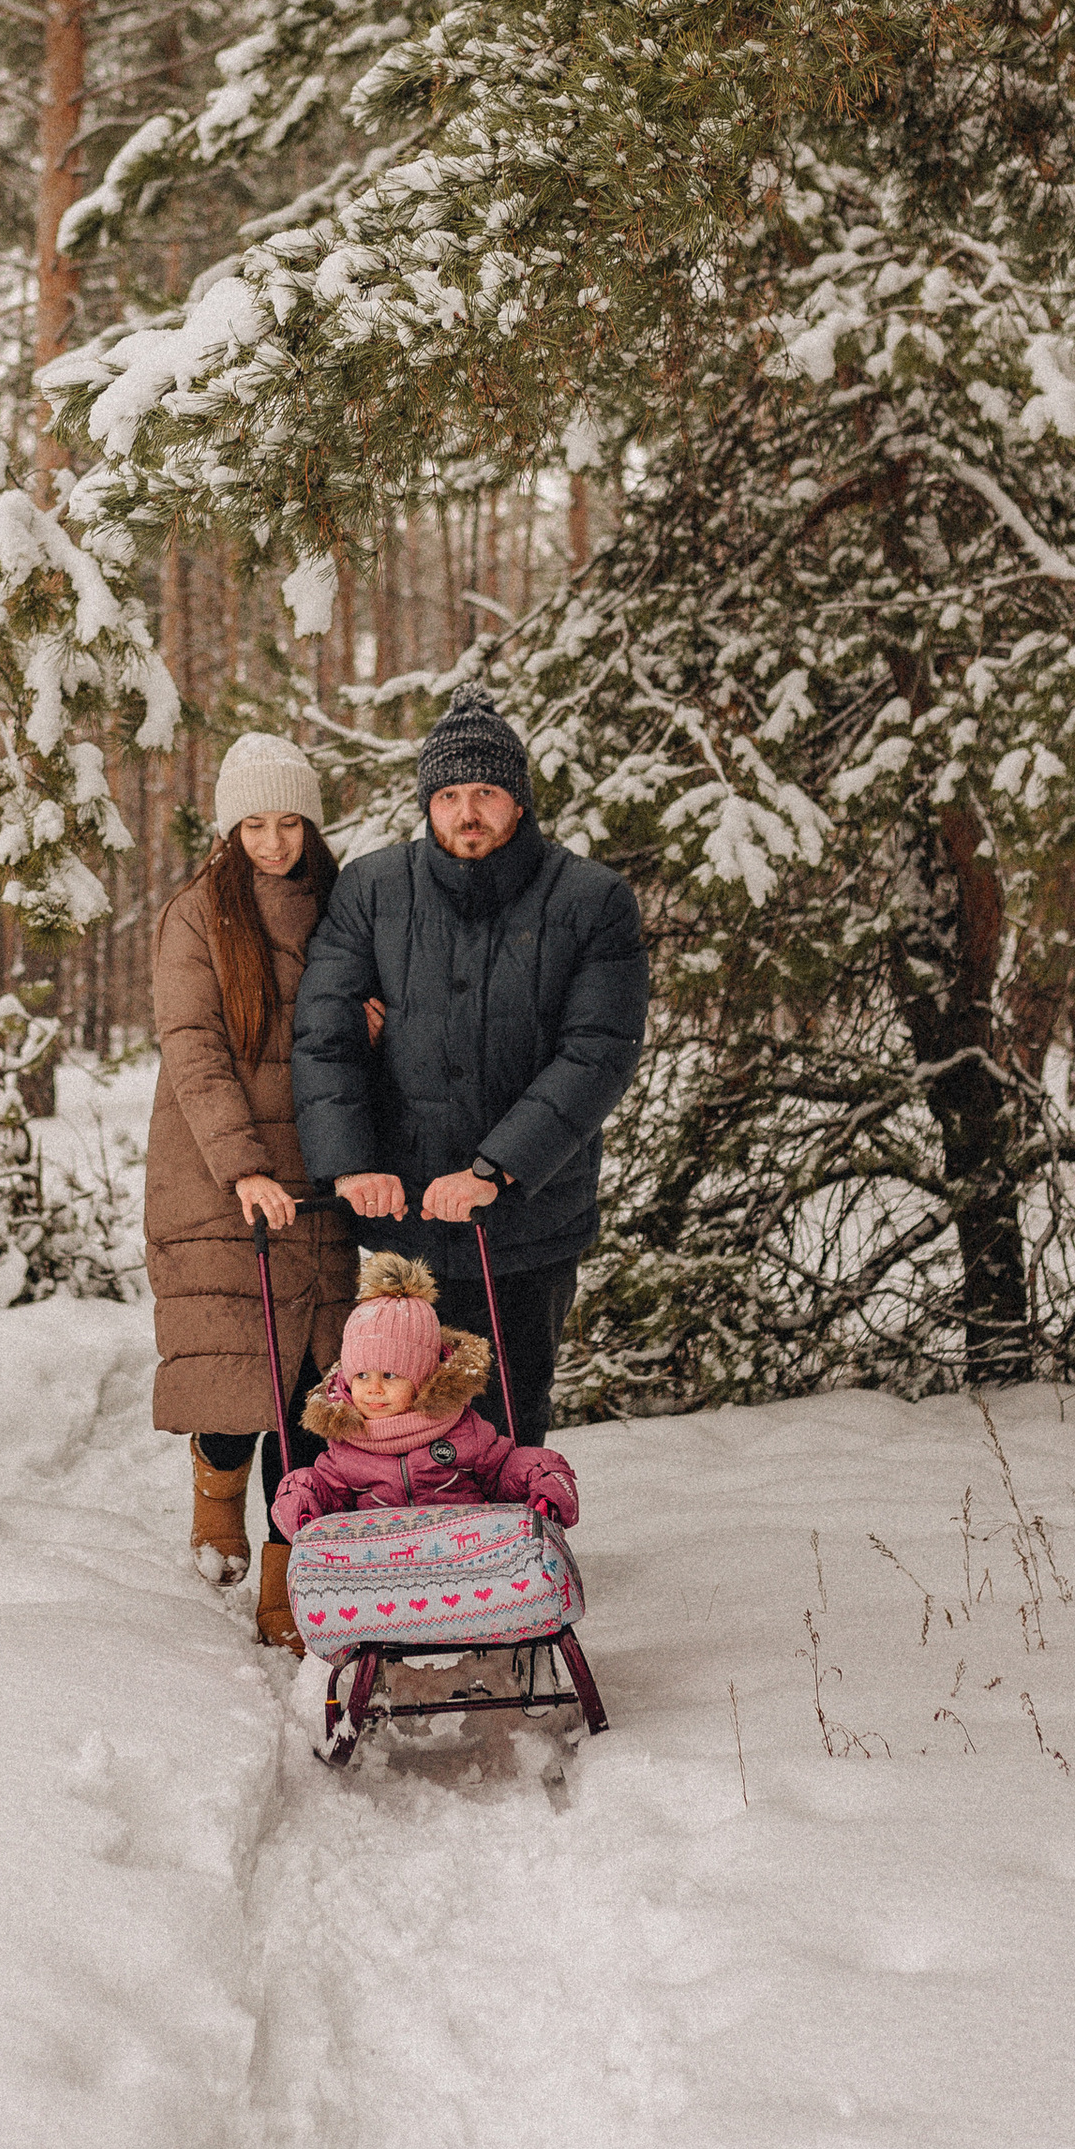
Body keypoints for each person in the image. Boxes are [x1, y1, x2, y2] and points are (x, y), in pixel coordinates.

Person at [291, 683, 647, 1446]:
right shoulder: (372, 890)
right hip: (399, 1218)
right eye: (449, 794)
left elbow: (597, 1053)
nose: (466, 811)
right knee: (391, 1420)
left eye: (485, 791)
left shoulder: (592, 901)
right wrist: (349, 1166)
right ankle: (413, 1557)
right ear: (428, 803)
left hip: (527, 1222)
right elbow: (325, 1036)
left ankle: (508, 1555)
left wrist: (495, 1169)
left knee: (507, 1417)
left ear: (518, 800)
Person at [144, 732, 358, 1639]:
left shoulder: (345, 907)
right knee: (239, 1390)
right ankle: (217, 1478)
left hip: (320, 1181)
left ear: (311, 822)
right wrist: (244, 1167)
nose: (274, 843)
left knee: (313, 1397)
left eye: (289, 822)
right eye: (255, 825)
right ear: (231, 829)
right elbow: (194, 1052)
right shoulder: (197, 915)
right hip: (219, 1177)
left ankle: (288, 1579)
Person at [269, 1254, 579, 1536]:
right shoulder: (346, 1447)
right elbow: (324, 1491)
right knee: (300, 1482)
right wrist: (302, 1502)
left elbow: (505, 1470)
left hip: (466, 1555)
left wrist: (541, 1479)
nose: (374, 1388)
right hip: (381, 1566)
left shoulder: (460, 1430)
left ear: (422, 1378)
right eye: (362, 1376)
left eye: (390, 1375)